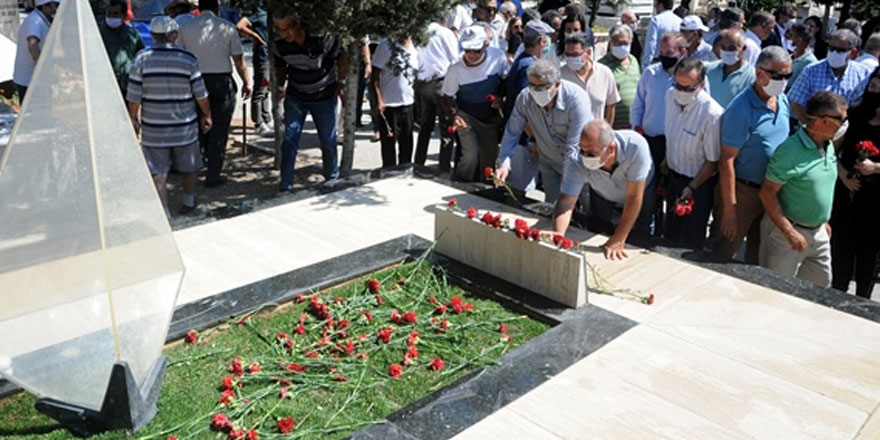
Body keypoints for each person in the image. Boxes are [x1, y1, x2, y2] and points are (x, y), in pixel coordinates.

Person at [712, 47, 791, 263]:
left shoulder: (781, 100)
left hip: (771, 192)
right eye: (778, 76)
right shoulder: (741, 108)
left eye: (787, 75)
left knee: (759, 257)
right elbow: (726, 160)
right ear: (759, 73)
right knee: (723, 253)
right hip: (742, 191)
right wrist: (730, 211)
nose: (783, 81)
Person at [758, 91, 845, 287]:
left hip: (819, 234)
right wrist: (789, 231)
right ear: (823, 121)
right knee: (777, 291)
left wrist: (823, 221)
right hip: (787, 236)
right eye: (841, 118)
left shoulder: (828, 146)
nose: (844, 123)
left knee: (819, 290)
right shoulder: (789, 152)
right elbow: (767, 193)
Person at [127, 16, 212, 217]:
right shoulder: (188, 59)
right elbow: (201, 94)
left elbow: (134, 95)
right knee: (189, 165)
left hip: (154, 127)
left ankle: (164, 211)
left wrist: (133, 118)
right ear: (174, 35)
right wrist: (207, 114)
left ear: (154, 36)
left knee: (158, 170)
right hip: (185, 126)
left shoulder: (141, 59)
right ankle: (189, 201)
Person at [552, 120, 655, 260]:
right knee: (599, 226)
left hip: (640, 191)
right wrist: (558, 234)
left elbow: (633, 197)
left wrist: (619, 239)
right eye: (582, 150)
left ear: (611, 148)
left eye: (591, 153)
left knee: (641, 232)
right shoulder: (576, 160)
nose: (585, 157)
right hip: (603, 193)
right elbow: (566, 201)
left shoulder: (635, 147)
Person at [495, 59, 593, 202]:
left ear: (557, 84)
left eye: (541, 87)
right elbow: (512, 132)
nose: (535, 91)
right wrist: (504, 162)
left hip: (580, 166)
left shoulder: (576, 99)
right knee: (552, 208)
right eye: (532, 85)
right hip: (549, 162)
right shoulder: (525, 97)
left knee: (586, 210)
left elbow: (573, 148)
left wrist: (568, 191)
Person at [178, 0, 251, 188]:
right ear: (217, 7)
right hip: (220, 82)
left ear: (198, 8)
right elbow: (239, 59)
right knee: (219, 128)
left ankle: (195, 165)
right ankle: (213, 173)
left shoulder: (185, 27)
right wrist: (246, 81)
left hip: (193, 80)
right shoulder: (226, 27)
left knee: (195, 126)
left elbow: (180, 55)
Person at [273, 9, 344, 192]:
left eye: (286, 29)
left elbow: (341, 56)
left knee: (328, 139)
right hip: (296, 96)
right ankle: (286, 184)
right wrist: (281, 85)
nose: (283, 34)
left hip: (324, 95)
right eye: (279, 30)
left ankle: (332, 177)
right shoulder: (279, 43)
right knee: (290, 138)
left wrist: (341, 82)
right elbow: (280, 66)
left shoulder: (321, 37)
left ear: (297, 24)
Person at [663, 58, 723, 249]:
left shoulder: (711, 114)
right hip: (673, 178)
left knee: (690, 242)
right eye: (678, 86)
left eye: (688, 89)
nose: (681, 93)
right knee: (669, 235)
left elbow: (713, 161)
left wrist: (691, 187)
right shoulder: (669, 96)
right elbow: (672, 133)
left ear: (702, 85)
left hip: (697, 185)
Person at [831, 68, 880, 298]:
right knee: (842, 249)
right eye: (874, 82)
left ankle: (863, 300)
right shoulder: (856, 116)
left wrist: (876, 167)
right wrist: (841, 173)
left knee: (868, 256)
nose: (875, 86)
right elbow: (832, 149)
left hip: (875, 201)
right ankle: (837, 294)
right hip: (847, 193)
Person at [632, 31, 687, 233]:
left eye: (669, 52)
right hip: (651, 140)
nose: (664, 56)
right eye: (661, 52)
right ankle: (644, 229)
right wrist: (636, 128)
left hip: (677, 144)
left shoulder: (691, 77)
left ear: (682, 52)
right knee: (648, 190)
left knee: (673, 192)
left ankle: (669, 233)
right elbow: (638, 104)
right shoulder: (650, 73)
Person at [441, 25, 509, 182]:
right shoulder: (455, 69)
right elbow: (446, 97)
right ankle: (461, 182)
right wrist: (454, 116)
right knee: (470, 155)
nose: (471, 55)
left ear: (485, 45)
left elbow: (506, 81)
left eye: (476, 50)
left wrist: (500, 97)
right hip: (467, 115)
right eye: (467, 50)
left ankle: (485, 190)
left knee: (489, 158)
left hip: (490, 116)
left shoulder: (498, 57)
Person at [502, 19, 555, 192]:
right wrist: (534, 138)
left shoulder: (522, 61)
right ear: (541, 41)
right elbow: (525, 108)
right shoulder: (530, 67)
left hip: (521, 137)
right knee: (523, 190)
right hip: (524, 140)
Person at [788, 29, 872, 125]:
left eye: (840, 50)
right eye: (831, 48)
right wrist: (811, 127)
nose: (834, 53)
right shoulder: (811, 70)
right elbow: (796, 103)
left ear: (852, 52)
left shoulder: (863, 74)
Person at [415, 18, 459, 171]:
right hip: (442, 82)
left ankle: (418, 162)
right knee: (446, 127)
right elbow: (455, 58)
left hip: (423, 82)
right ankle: (444, 167)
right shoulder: (445, 33)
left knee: (425, 125)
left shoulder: (420, 32)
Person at [372, 36, 419, 168]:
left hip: (408, 103)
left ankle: (404, 174)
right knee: (388, 146)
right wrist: (379, 100)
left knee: (407, 144)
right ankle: (388, 174)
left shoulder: (415, 46)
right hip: (389, 104)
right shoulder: (385, 46)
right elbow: (374, 77)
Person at [561, 32, 620, 125]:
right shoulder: (561, 76)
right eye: (568, 55)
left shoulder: (605, 73)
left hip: (596, 135)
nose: (571, 58)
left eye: (575, 55)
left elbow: (611, 105)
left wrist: (607, 131)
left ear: (588, 52)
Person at [236, 8, 273, 137]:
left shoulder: (273, 13)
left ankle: (266, 118)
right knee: (261, 89)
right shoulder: (260, 14)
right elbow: (240, 26)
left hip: (271, 57)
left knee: (267, 90)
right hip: (262, 57)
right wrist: (255, 36)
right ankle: (259, 123)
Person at [13, 0, 57, 102]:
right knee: (34, 114)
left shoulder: (41, 19)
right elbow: (33, 47)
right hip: (30, 81)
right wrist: (44, 69)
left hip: (34, 79)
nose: (57, 9)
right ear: (45, 7)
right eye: (56, 5)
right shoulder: (35, 22)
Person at [99, 0, 144, 98]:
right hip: (104, 83)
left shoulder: (132, 33)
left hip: (127, 83)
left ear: (123, 16)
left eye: (116, 14)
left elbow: (140, 55)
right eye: (109, 13)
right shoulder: (98, 33)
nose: (111, 16)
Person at [599, 24, 640, 130]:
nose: (622, 46)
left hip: (634, 125)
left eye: (625, 43)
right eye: (617, 43)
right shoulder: (601, 66)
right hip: (613, 126)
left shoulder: (634, 61)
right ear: (611, 43)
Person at [705, 29, 755, 109]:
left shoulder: (752, 77)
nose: (726, 51)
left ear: (743, 48)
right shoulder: (708, 69)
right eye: (723, 47)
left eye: (732, 48)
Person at [642, 0, 682, 68]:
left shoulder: (656, 20)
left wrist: (646, 63)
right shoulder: (679, 20)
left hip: (658, 60)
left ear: (660, 5)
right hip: (675, 60)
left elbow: (651, 42)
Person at [786, 23, 818, 92]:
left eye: (791, 35)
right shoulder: (790, 56)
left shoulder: (810, 62)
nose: (788, 37)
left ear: (799, 40)